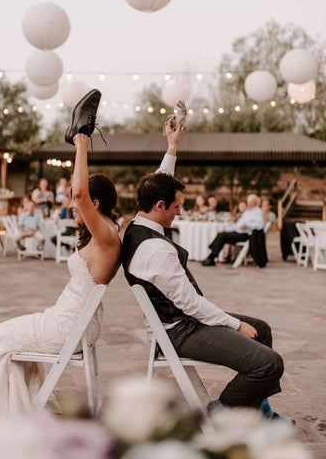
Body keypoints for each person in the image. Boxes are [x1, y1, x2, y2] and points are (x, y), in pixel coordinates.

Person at [0, 89, 121, 438]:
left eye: (83, 202)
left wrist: (81, 142)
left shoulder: (106, 236)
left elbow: (78, 194)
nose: (74, 206)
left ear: (96, 201)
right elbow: (78, 196)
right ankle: (13, 417)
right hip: (65, 320)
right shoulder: (106, 233)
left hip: (65, 328)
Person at [121, 124, 288, 420]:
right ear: (159, 205)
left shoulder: (139, 223)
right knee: (270, 363)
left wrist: (172, 146)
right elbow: (190, 305)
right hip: (180, 331)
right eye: (176, 206)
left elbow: (160, 182)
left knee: (261, 329)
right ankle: (221, 413)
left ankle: (258, 412)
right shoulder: (156, 250)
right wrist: (235, 326)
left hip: (182, 322)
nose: (179, 212)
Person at [202, 194, 264, 266]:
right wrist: (226, 229)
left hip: (246, 235)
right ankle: (212, 257)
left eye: (252, 202)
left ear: (256, 202)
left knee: (222, 236)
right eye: (249, 202)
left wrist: (247, 225)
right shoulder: (247, 212)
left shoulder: (258, 211)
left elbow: (259, 225)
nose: (249, 203)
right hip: (238, 232)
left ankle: (211, 257)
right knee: (221, 234)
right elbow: (236, 226)